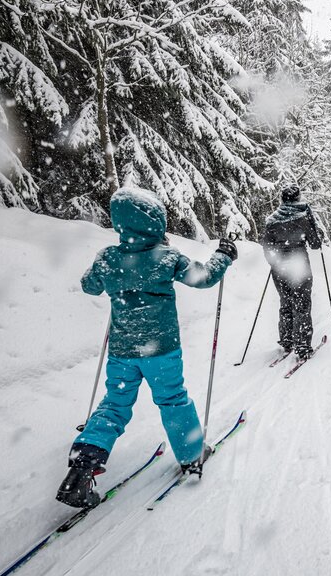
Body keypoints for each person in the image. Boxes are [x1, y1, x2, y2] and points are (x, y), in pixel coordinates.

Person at [57, 187, 237, 509]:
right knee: (172, 399)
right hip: (161, 351)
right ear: (155, 222)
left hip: (123, 352)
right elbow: (204, 277)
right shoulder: (166, 257)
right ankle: (192, 455)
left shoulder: (108, 258)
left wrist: (110, 273)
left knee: (114, 404)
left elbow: (89, 285)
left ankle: (81, 468)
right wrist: (224, 256)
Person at [262, 185, 323, 361]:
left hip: (279, 268)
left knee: (286, 302)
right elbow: (315, 244)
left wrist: (274, 262)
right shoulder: (303, 217)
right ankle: (303, 346)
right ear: (298, 198)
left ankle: (287, 341)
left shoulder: (272, 220)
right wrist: (311, 222)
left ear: (282, 200)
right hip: (299, 266)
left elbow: (266, 246)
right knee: (302, 304)